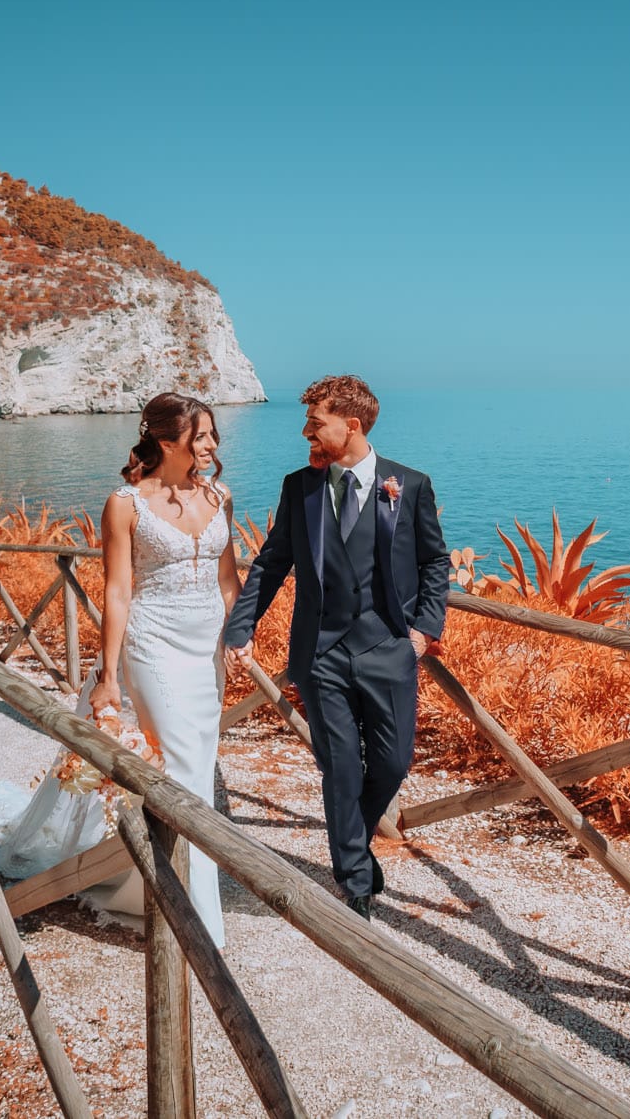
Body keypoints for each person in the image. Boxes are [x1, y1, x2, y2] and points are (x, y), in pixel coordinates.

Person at [0, 392, 238, 946]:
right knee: (186, 771)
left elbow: (228, 580)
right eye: (203, 436)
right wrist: (109, 676)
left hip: (205, 648)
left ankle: (142, 873)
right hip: (153, 643)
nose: (214, 445)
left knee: (198, 760)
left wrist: (239, 638)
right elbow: (116, 592)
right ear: (169, 442)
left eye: (214, 434)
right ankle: (196, 918)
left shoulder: (220, 496)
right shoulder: (125, 504)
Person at [223, 375, 447, 919]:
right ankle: (354, 878)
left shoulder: (409, 485)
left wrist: (424, 631)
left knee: (392, 764)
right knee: (341, 767)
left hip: (389, 650)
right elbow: (274, 561)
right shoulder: (298, 486)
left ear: (352, 426)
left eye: (315, 422)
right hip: (320, 655)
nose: (306, 431)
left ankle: (355, 849)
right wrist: (240, 626)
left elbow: (435, 562)